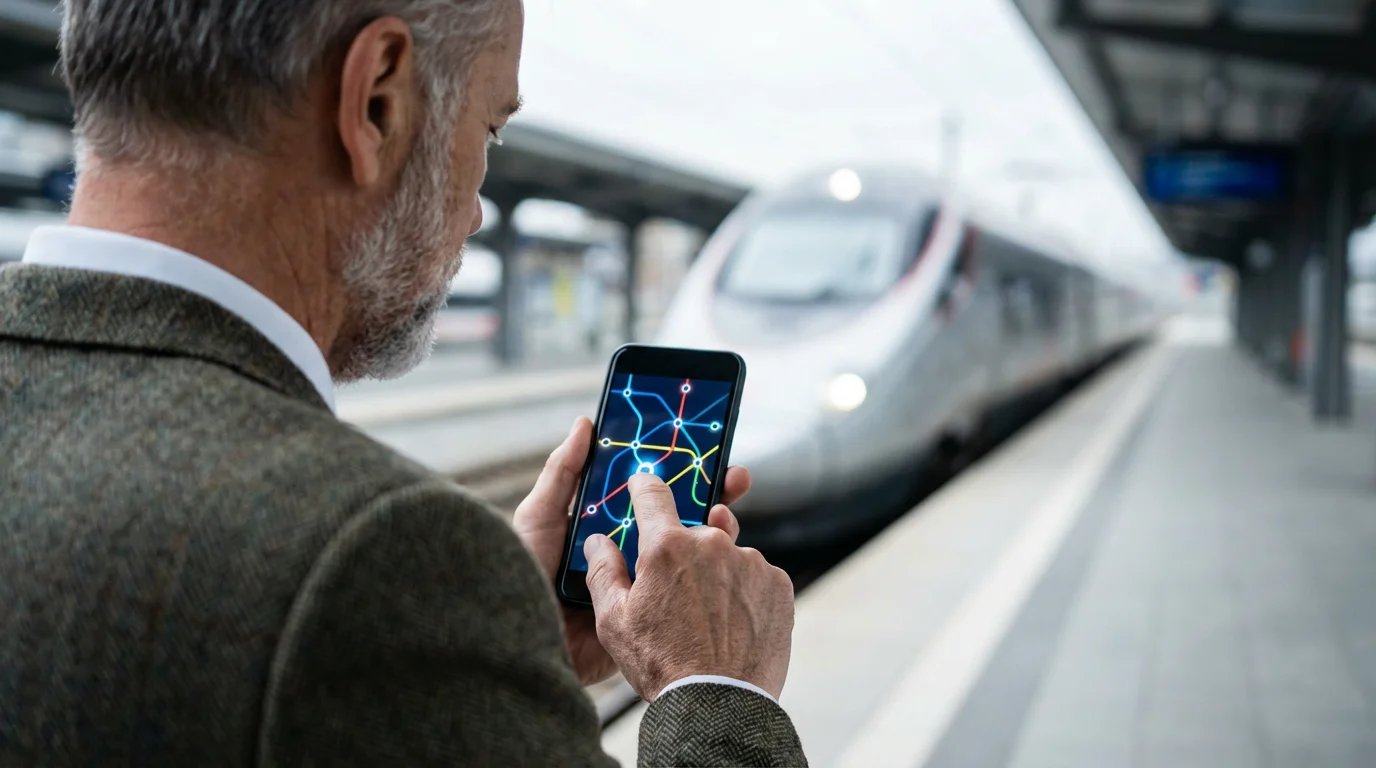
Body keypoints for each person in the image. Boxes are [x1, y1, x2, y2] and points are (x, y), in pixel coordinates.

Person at [0, 1, 806, 765]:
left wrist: (491, 655)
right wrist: (714, 689)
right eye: (489, 127)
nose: (481, 213)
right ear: (377, 99)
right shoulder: (376, 556)